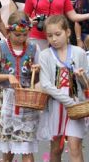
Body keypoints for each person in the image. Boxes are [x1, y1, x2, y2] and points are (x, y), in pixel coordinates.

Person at [0, 11, 40, 162]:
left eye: (25, 34)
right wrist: (7, 76)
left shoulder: (33, 48)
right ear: (9, 31)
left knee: (27, 148)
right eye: (17, 35)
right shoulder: (1, 47)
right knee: (8, 149)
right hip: (6, 100)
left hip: (26, 101)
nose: (22, 38)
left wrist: (37, 71)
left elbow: (37, 79)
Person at [38, 15, 88, 162]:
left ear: (68, 32)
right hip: (55, 106)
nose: (53, 39)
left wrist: (80, 77)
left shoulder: (79, 52)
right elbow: (46, 84)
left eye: (57, 34)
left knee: (75, 147)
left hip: (77, 106)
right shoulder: (45, 55)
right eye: (49, 36)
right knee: (56, 148)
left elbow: (86, 84)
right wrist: (68, 101)